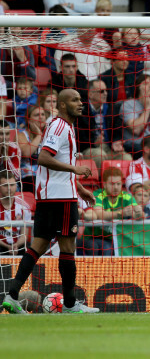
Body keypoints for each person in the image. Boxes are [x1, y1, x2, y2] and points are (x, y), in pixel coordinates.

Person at [2, 89, 99, 314]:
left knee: (39, 245)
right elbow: (44, 157)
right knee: (67, 247)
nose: (80, 103)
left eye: (80, 99)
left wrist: (80, 188)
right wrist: (75, 169)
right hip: (60, 197)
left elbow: (57, 163)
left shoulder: (64, 127)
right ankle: (70, 304)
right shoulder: (59, 126)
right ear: (63, 105)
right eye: (75, 100)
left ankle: (12, 295)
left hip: (53, 194)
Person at [79, 167, 143, 256]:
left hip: (114, 238)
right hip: (92, 237)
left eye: (118, 184)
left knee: (107, 248)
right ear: (104, 184)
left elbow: (140, 216)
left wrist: (139, 213)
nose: (116, 187)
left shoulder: (127, 197)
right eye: (112, 184)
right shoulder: (98, 194)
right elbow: (99, 214)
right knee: (94, 247)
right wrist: (121, 213)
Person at [78, 79, 132, 169]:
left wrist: (115, 142)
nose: (105, 93)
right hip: (88, 148)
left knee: (127, 158)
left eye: (106, 90)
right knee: (99, 155)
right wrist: (94, 142)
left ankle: (118, 183)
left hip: (109, 146)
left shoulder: (111, 108)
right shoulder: (81, 111)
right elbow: (79, 137)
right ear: (90, 94)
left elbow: (118, 129)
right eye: (101, 91)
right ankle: (100, 182)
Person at [121, 74, 150, 157]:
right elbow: (136, 130)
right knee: (142, 151)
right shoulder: (128, 104)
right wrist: (147, 107)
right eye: (146, 84)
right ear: (138, 87)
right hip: (135, 145)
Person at [0, 170, 30, 256]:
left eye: (12, 185)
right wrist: (7, 246)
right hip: (1, 245)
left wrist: (15, 245)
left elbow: (24, 235)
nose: (9, 188)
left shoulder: (24, 207)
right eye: (5, 185)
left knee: (28, 252)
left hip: (18, 245)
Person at [18, 105, 46, 193]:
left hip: (45, 176)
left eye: (43, 114)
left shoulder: (49, 135)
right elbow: (26, 153)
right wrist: (39, 135)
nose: (41, 117)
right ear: (29, 120)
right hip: (28, 178)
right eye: (37, 115)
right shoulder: (21, 135)